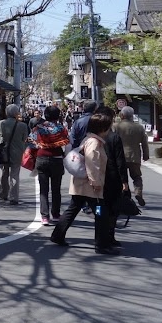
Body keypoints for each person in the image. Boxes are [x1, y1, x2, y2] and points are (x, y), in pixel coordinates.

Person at [49, 109, 118, 254]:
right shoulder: (94, 143)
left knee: (72, 209)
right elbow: (92, 163)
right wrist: (96, 183)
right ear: (103, 128)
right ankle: (101, 245)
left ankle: (57, 235)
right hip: (91, 187)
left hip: (81, 185)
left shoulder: (88, 139)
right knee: (100, 214)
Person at [28, 105, 69, 225]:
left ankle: (44, 216)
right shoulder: (61, 128)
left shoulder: (38, 128)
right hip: (57, 159)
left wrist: (39, 147)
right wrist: (65, 156)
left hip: (42, 158)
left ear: (45, 115)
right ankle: (55, 214)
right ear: (58, 116)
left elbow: (30, 143)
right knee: (56, 189)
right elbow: (68, 143)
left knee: (43, 189)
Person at [98, 106, 129, 249]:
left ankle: (100, 238)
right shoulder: (113, 137)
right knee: (112, 210)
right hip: (112, 179)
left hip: (97, 180)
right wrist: (125, 182)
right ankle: (108, 238)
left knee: (99, 209)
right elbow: (120, 162)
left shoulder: (92, 136)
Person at [114, 106, 150, 206]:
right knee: (137, 177)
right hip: (134, 156)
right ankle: (138, 193)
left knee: (120, 178)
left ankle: (123, 197)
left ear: (122, 115)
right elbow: (144, 143)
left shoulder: (116, 126)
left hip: (120, 157)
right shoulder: (139, 127)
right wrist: (145, 155)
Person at [69, 100, 99, 215]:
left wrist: (75, 151)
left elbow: (73, 139)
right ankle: (97, 209)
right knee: (94, 179)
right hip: (95, 153)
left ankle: (83, 204)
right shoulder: (97, 121)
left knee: (80, 180)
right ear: (95, 109)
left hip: (80, 153)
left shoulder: (78, 122)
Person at [0, 104, 29, 205]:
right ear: (16, 113)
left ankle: (3, 194)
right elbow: (25, 139)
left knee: (4, 173)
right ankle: (13, 197)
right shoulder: (22, 125)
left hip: (4, 152)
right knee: (14, 174)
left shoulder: (1, 123)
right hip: (17, 152)